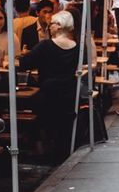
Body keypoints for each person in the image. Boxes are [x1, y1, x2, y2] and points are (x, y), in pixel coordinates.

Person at [19, 10, 79, 159]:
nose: (49, 27)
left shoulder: (45, 45)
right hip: (69, 93)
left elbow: (25, 64)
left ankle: (38, 147)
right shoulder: (77, 47)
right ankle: (61, 154)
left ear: (59, 26)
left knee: (33, 112)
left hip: (48, 93)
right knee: (62, 128)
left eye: (51, 24)